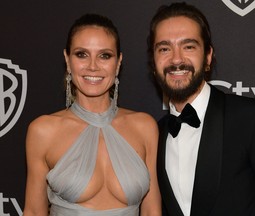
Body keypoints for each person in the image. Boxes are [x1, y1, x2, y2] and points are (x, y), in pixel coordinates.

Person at [147, 2, 255, 216]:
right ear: (153, 61)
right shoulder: (154, 134)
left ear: (208, 56)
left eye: (189, 47)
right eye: (164, 48)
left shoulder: (253, 120)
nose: (176, 59)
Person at [23, 13, 161, 216]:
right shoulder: (43, 131)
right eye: (82, 54)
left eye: (105, 55)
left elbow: (152, 211)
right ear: (67, 60)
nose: (93, 66)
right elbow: (34, 211)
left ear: (119, 62)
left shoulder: (144, 127)